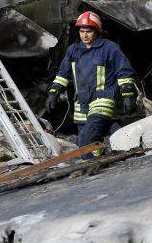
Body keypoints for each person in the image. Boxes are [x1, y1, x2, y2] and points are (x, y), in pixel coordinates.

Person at [46, 11, 136, 148]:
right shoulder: (73, 50)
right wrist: (54, 92)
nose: (85, 35)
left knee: (86, 136)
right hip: (80, 102)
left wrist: (128, 96)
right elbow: (64, 74)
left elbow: (124, 72)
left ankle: (86, 165)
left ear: (97, 31)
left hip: (103, 99)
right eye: (82, 31)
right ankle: (102, 157)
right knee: (92, 139)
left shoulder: (109, 48)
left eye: (88, 31)